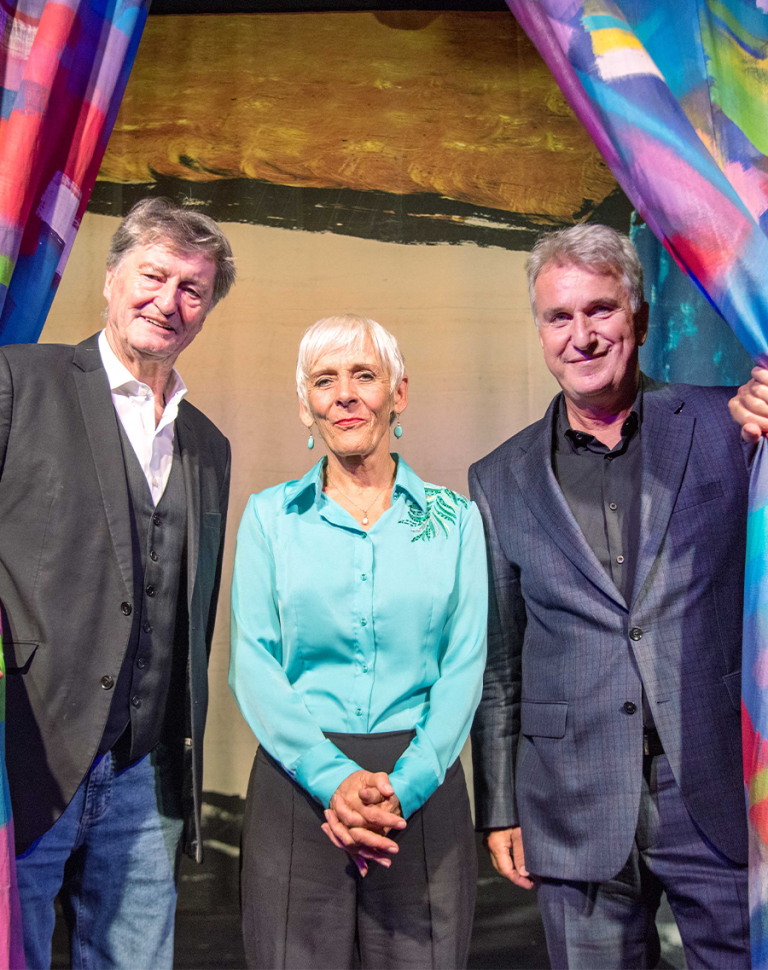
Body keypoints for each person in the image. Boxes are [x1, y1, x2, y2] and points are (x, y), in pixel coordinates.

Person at [469, 224, 753, 969]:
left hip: (714, 787)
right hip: (572, 801)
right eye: (559, 316)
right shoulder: (497, 478)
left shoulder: (732, 425)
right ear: (540, 330)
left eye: (600, 310)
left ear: (640, 318)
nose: (582, 335)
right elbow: (500, 663)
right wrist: (500, 806)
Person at [1, 197, 234, 970]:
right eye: (153, 275)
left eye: (192, 288)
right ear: (109, 278)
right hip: (26, 757)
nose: (168, 300)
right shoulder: (18, 381)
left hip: (143, 773)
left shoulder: (207, 444)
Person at [229, 314, 487, 970]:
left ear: (398, 393)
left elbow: (465, 666)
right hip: (296, 789)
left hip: (422, 793)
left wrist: (405, 786)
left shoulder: (457, 521)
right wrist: (335, 778)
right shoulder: (267, 518)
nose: (344, 394)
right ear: (305, 406)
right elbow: (252, 662)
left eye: (364, 375)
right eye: (324, 380)